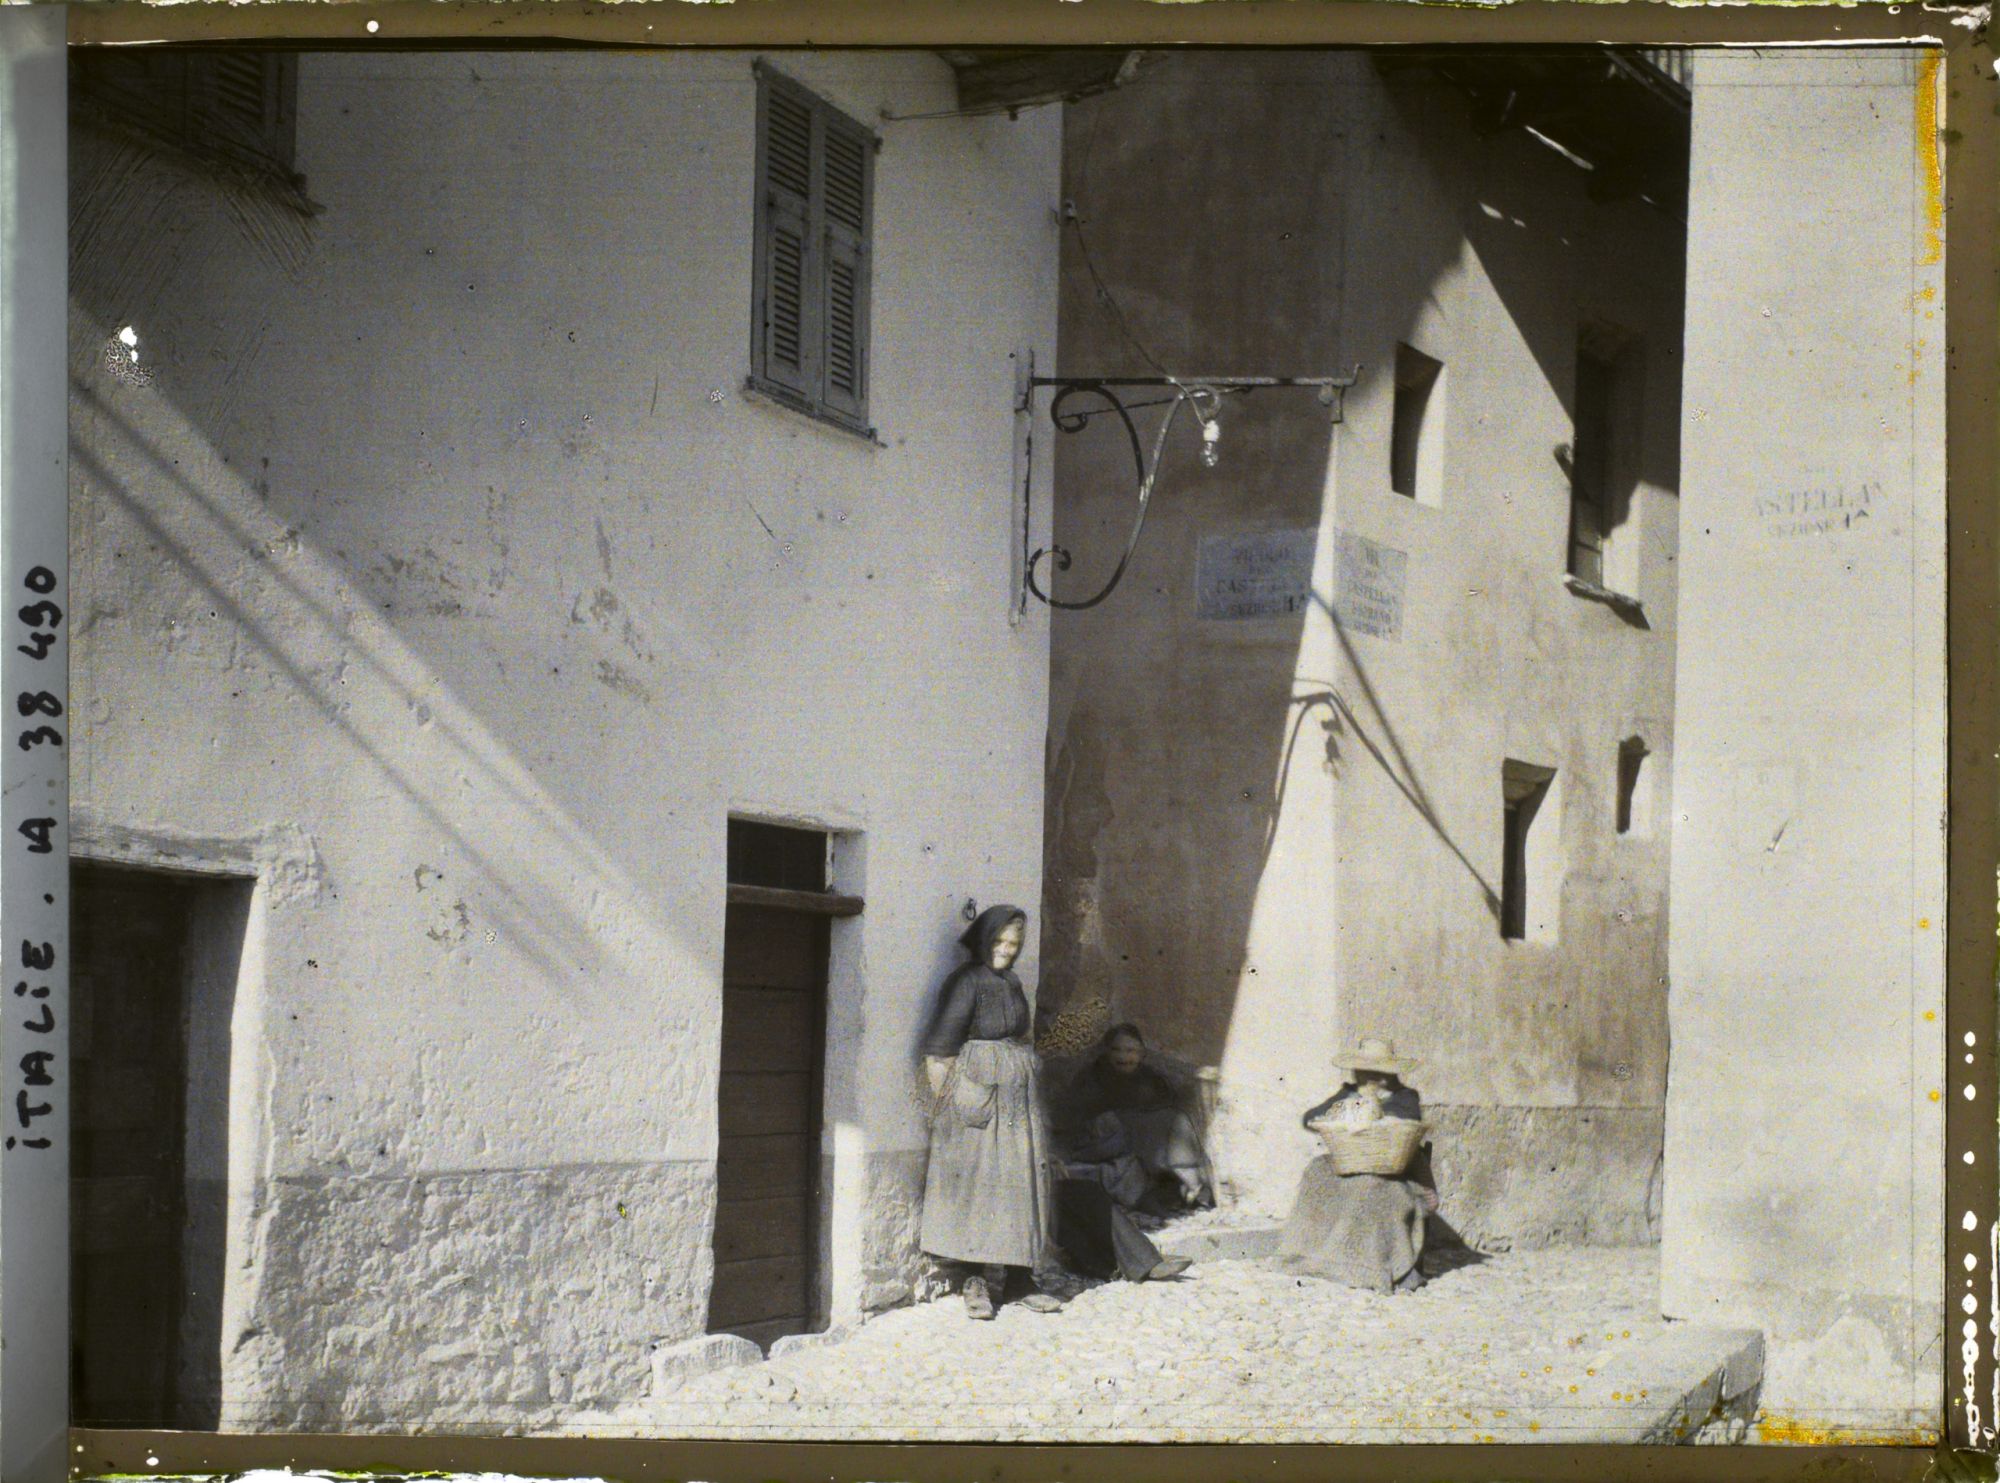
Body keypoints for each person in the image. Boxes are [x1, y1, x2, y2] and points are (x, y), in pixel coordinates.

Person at [918, 905, 1064, 1320]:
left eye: (1013, 944)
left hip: (1016, 1103)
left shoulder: (1013, 982)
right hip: (975, 1098)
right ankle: (974, 1282)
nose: (1005, 950)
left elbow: (1022, 1034)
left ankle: (1019, 1280)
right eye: (999, 941)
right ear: (983, 940)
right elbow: (939, 1050)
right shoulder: (966, 982)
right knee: (978, 1187)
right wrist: (955, 1106)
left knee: (1019, 1183)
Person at [1275, 1035, 1440, 1295]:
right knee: (1316, 1172)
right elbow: (1311, 1117)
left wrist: (1374, 1108)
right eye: (1365, 1071)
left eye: (1377, 1072)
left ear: (1389, 1073)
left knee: (1369, 1187)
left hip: (1393, 1169)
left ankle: (1371, 1265)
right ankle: (1314, 1254)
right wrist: (1348, 1107)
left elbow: (1406, 1121)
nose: (1370, 1077)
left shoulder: (1405, 1097)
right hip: (1351, 1160)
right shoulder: (1348, 1092)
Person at [1058, 1023, 1213, 1213]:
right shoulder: (1091, 1078)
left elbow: (1164, 1108)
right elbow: (1080, 1121)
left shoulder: (1150, 1079)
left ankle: (1192, 1182)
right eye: (1116, 1050)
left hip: (1146, 1143)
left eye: (1130, 1050)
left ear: (1141, 1053)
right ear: (1106, 1052)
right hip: (1102, 1141)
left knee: (1175, 1122)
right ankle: (1191, 1183)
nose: (1123, 1057)